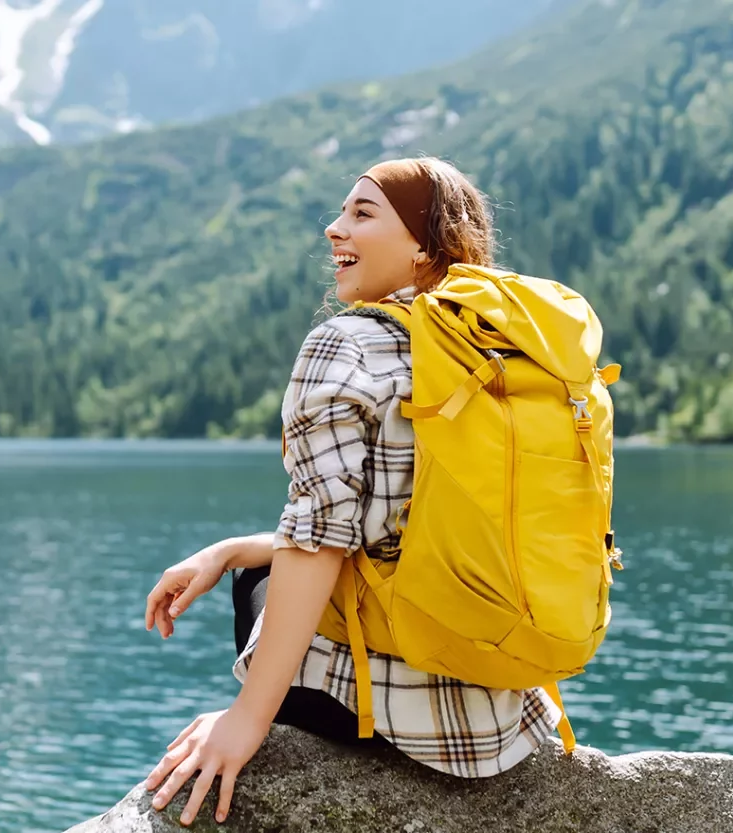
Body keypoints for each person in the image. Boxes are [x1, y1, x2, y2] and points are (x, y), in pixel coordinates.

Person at [139, 157, 562, 827]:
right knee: (254, 557)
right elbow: (404, 525)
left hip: (388, 717)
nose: (334, 228)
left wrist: (245, 720)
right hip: (502, 704)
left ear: (426, 243)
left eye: (362, 213)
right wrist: (225, 546)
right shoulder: (508, 345)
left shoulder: (346, 345)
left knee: (258, 579)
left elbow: (319, 543)